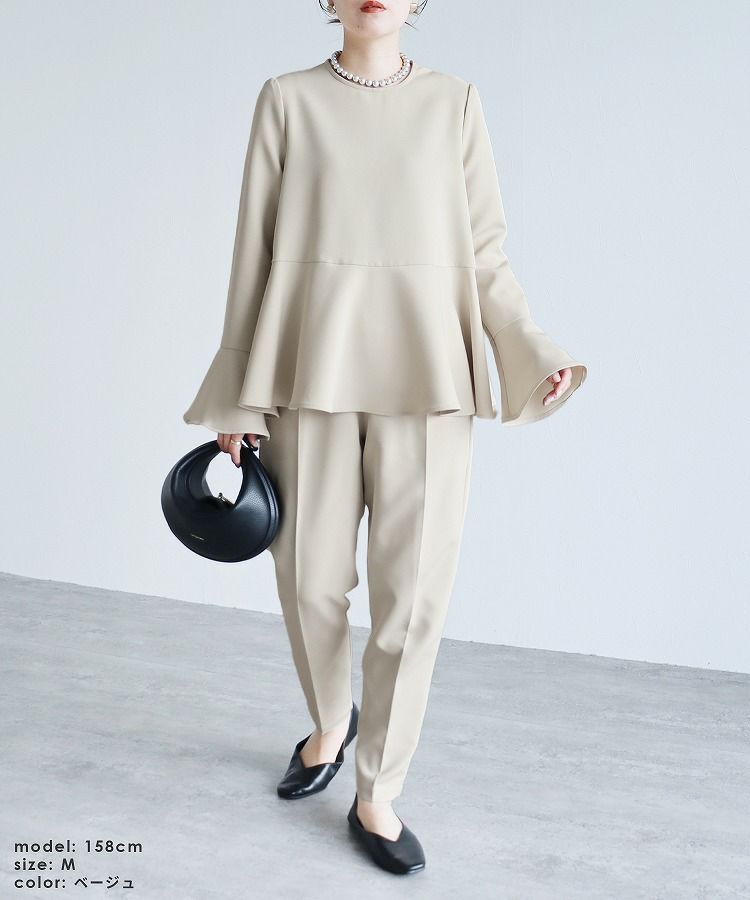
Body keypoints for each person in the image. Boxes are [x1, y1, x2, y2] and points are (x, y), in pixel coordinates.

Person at [182, 0, 587, 876]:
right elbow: (253, 251)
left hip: (428, 375)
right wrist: (236, 393)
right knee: (309, 580)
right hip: (308, 369)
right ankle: (330, 724)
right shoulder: (287, 99)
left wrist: (528, 348)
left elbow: (485, 251)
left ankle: (378, 792)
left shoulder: (455, 103)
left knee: (412, 598)